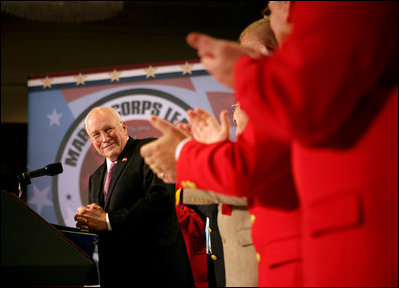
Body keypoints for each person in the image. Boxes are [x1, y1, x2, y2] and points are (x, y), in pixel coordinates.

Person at [143, 1, 398, 286]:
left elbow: (248, 167)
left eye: (270, 7)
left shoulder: (281, 95)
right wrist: (212, 150)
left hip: (345, 247)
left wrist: (184, 153)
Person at [141, 13, 302, 287]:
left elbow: (249, 176)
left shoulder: (287, 103)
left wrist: (187, 155)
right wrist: (212, 150)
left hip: (271, 257)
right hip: (247, 255)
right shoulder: (267, 103)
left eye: (247, 56)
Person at [74, 107, 194, 287]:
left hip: (158, 274)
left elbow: (160, 201)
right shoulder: (96, 177)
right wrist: (89, 222)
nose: (104, 139)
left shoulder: (148, 151)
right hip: (116, 275)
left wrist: (107, 220)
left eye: (108, 129)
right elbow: (103, 226)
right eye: (96, 135)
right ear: (92, 141)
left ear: (123, 127)